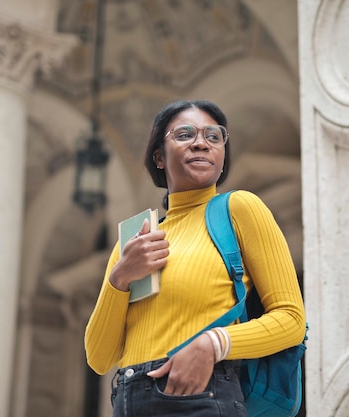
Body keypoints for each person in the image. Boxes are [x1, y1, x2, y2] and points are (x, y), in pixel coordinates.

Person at [85, 99, 306, 417]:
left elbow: (291, 320)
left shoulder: (239, 208)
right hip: (128, 400)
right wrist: (119, 278)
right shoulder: (137, 239)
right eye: (185, 134)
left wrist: (212, 344)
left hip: (202, 396)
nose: (201, 143)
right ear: (159, 156)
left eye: (213, 136)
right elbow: (99, 357)